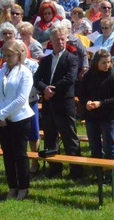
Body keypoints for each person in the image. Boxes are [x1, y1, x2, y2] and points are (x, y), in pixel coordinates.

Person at [32, 23, 82, 179]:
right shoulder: (46, 60)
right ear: (51, 41)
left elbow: (69, 79)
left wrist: (51, 90)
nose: (60, 42)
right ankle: (54, 169)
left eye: (62, 39)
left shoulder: (72, 58)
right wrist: (44, 89)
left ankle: (76, 170)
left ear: (66, 39)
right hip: (48, 104)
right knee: (50, 136)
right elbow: (37, 78)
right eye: (57, 39)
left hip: (64, 104)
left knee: (69, 137)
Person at [0, 40, 35, 201]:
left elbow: (21, 99)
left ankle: (23, 187)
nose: (7, 58)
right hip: (2, 120)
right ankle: (12, 186)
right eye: (5, 55)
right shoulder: (2, 71)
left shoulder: (25, 72)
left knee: (19, 154)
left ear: (19, 55)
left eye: (10, 55)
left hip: (19, 119)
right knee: (7, 154)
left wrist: (2, 114)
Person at [78, 49, 114, 161]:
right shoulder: (88, 76)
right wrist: (86, 102)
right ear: (96, 63)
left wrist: (101, 103)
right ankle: (98, 175)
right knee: (94, 147)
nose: (107, 65)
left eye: (108, 62)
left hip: (108, 117)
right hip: (91, 117)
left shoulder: (113, 76)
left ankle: (109, 176)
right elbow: (81, 93)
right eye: (103, 63)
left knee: (109, 147)